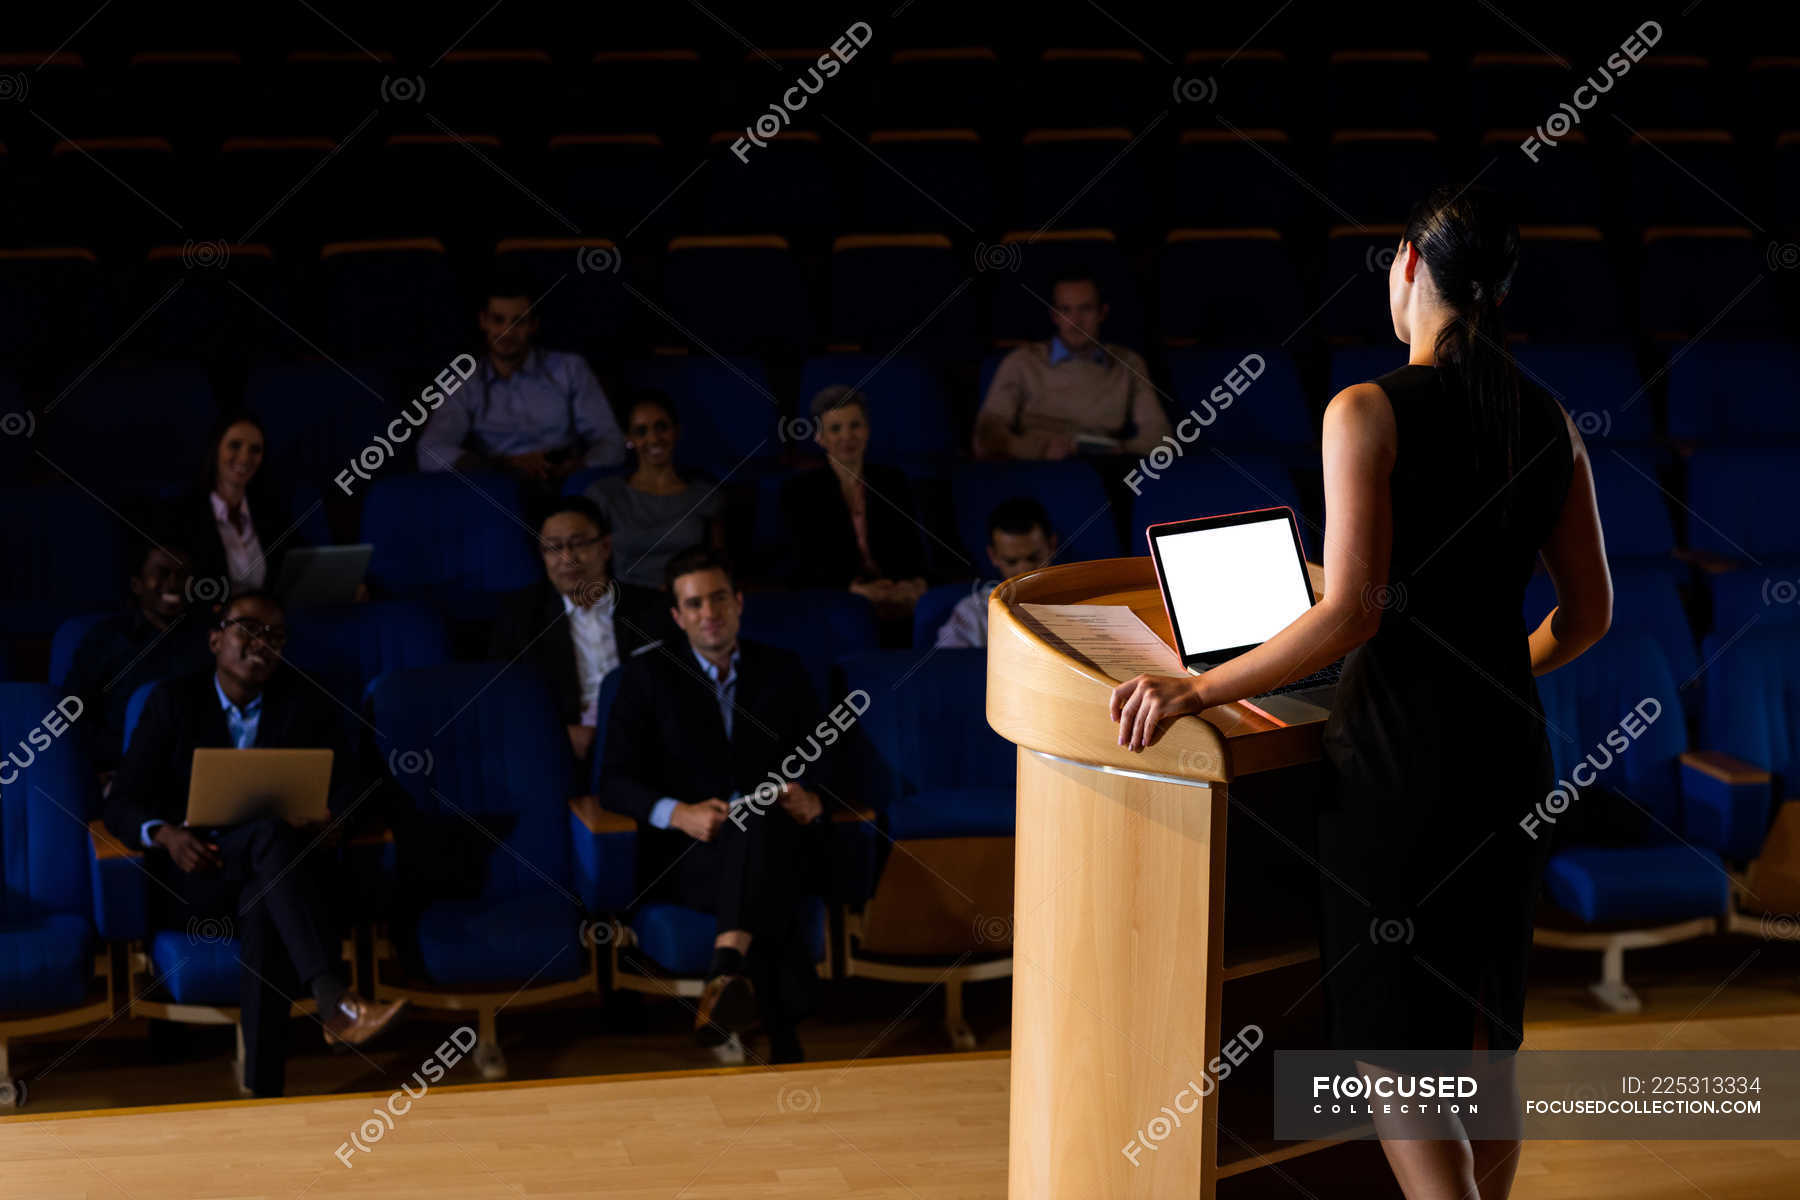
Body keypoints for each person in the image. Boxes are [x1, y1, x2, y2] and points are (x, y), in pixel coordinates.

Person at [1107, 186, 1610, 1200]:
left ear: (1413, 269)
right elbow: (1588, 617)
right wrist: (1497, 663)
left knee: (1389, 1050)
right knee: (1482, 1034)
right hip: (1510, 751)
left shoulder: (1366, 409)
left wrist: (1199, 690)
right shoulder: (1548, 419)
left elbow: (1349, 615)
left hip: (1398, 759)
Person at [103, 589, 408, 1096]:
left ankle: (264, 1092)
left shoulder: (307, 700)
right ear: (216, 638)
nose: (261, 644)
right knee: (269, 852)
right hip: (198, 877)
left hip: (283, 877)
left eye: (275, 635)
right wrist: (165, 834)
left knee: (265, 890)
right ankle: (335, 1001)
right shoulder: (171, 701)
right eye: (248, 629)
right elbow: (121, 802)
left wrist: (334, 817)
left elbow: (360, 786)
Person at [598, 546, 833, 1065]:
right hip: (690, 855)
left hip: (775, 835)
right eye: (696, 603)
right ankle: (784, 1036)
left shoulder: (782, 669)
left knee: (763, 831)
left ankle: (724, 972)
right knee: (766, 861)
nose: (711, 613)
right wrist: (677, 813)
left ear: (739, 602)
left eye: (720, 598)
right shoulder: (645, 679)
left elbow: (823, 755)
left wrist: (810, 797)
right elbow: (611, 783)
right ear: (678, 616)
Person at [488, 495, 678, 774]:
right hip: (566, 751)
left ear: (605, 547)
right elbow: (506, 698)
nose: (567, 558)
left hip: (650, 740)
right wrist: (558, 732)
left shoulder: (653, 609)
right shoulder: (520, 620)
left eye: (578, 544)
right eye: (554, 547)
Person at [415, 270, 625, 492]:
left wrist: (578, 467)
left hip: (564, 485)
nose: (507, 332)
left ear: (534, 325)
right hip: (494, 485)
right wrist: (504, 465)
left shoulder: (570, 369)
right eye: (498, 320)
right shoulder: (464, 381)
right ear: (483, 321)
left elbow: (612, 441)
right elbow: (429, 450)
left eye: (519, 321)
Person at [974, 269, 1171, 460]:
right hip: (1037, 469)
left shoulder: (1128, 363)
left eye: (1085, 308)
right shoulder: (1022, 362)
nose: (1075, 321)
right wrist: (1040, 451)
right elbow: (986, 436)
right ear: (1054, 316)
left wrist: (1120, 451)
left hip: (1103, 470)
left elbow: (1160, 438)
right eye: (1065, 310)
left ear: (1102, 313)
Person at [780, 385, 928, 630]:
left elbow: (913, 548)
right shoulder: (799, 491)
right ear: (820, 437)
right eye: (835, 429)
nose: (847, 436)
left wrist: (912, 584)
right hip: (837, 597)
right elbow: (800, 566)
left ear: (867, 430)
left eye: (855, 425)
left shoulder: (893, 481)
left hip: (894, 595)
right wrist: (853, 590)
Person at [65, 532, 213, 777]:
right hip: (121, 768)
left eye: (183, 574)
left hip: (197, 772)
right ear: (137, 584)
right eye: (163, 572)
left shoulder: (210, 640)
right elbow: (75, 717)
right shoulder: (105, 640)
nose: (174, 582)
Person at [584, 389, 727, 591]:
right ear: (629, 439)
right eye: (641, 431)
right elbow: (591, 566)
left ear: (676, 431)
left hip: (688, 606)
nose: (653, 439)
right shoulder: (604, 495)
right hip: (625, 607)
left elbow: (719, 566)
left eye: (661, 427)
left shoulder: (705, 496)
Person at [169, 409, 298, 596]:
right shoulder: (184, 515)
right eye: (235, 446)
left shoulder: (273, 514)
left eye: (255, 450)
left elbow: (297, 570)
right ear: (216, 449)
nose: (245, 458)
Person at [936, 497, 1058, 649]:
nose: (1024, 570)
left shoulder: (1082, 602)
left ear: (1052, 546)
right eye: (1011, 561)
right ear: (993, 556)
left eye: (1034, 558)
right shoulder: (973, 613)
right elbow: (949, 667)